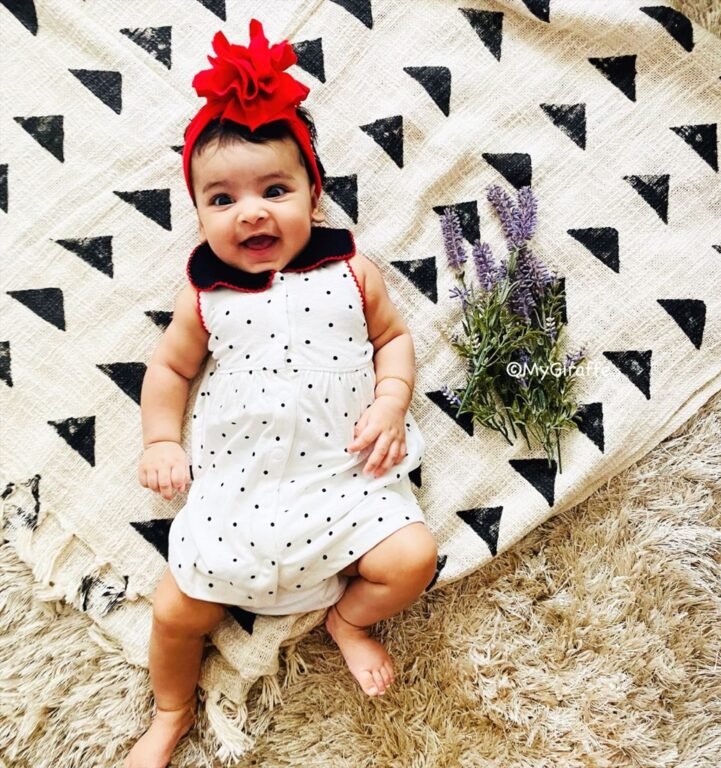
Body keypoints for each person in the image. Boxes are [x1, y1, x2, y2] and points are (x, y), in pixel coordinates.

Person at [124, 19, 437, 768]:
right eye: (222, 199)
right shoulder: (205, 295)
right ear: (199, 213)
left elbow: (394, 340)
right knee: (175, 611)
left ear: (312, 195)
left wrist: (391, 402)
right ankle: (170, 712)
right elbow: (169, 371)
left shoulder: (351, 272)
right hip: (238, 498)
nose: (252, 212)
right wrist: (161, 439)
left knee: (414, 557)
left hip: (344, 484)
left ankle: (349, 621)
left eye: (274, 190)